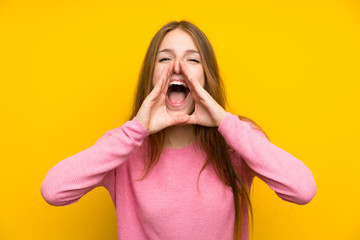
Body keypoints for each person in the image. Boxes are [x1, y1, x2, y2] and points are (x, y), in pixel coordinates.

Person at [41, 20, 317, 240]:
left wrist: (224, 122)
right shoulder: (124, 146)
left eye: (192, 60)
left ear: (207, 77)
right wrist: (136, 130)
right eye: (164, 59)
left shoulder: (237, 140)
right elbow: (53, 191)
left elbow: (303, 190)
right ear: (151, 76)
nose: (177, 68)